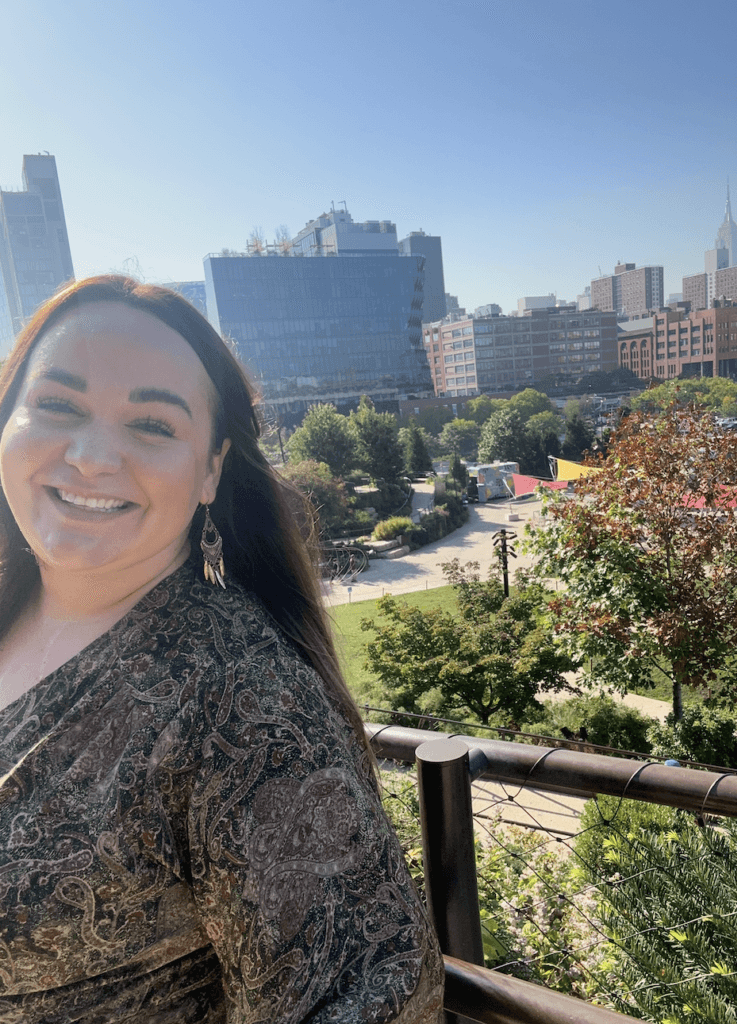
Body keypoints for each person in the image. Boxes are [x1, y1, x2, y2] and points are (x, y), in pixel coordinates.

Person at [0, 276, 444, 1023]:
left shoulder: (241, 702)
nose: (91, 456)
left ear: (210, 468)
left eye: (152, 425)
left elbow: (375, 995)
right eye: (59, 405)